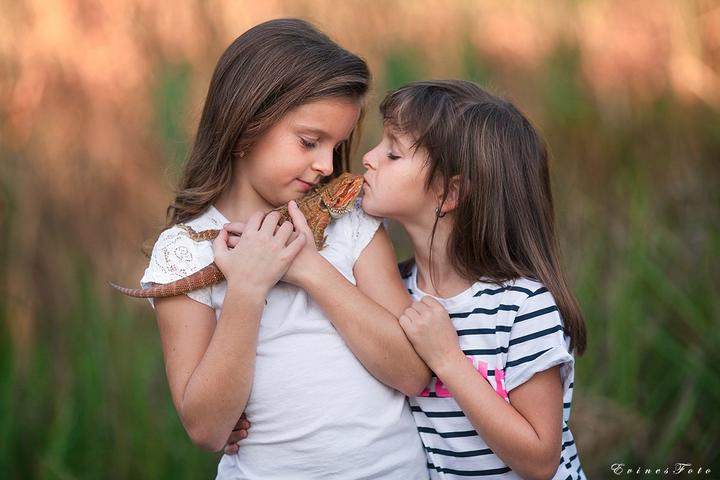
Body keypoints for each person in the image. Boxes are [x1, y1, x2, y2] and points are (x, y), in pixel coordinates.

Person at [140, 19, 429, 479]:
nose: (327, 164)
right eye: (310, 142)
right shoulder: (185, 251)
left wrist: (311, 270)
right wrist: (246, 289)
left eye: (337, 145)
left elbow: (412, 373)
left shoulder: (350, 220)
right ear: (246, 125)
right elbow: (208, 429)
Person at [359, 80, 588, 479]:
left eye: (393, 153)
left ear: (449, 194)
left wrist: (448, 359)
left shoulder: (521, 307)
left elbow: (540, 460)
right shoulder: (393, 289)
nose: (367, 158)